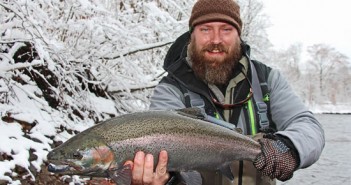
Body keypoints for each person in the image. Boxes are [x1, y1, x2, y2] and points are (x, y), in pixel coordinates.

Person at [125, 0, 325, 184]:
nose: (216, 39)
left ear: (239, 36)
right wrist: (170, 179)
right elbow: (172, 161)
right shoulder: (171, 89)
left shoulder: (267, 80)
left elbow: (308, 126)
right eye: (205, 29)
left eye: (226, 30)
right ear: (191, 36)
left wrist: (288, 147)